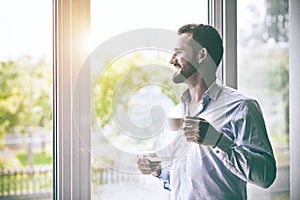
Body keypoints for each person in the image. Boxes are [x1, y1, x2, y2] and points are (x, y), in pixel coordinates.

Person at [137, 24, 276, 199]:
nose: (171, 60)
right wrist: (158, 171)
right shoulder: (175, 113)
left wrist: (218, 141)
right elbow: (188, 182)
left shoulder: (241, 107)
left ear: (201, 55)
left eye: (179, 52)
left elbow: (266, 177)